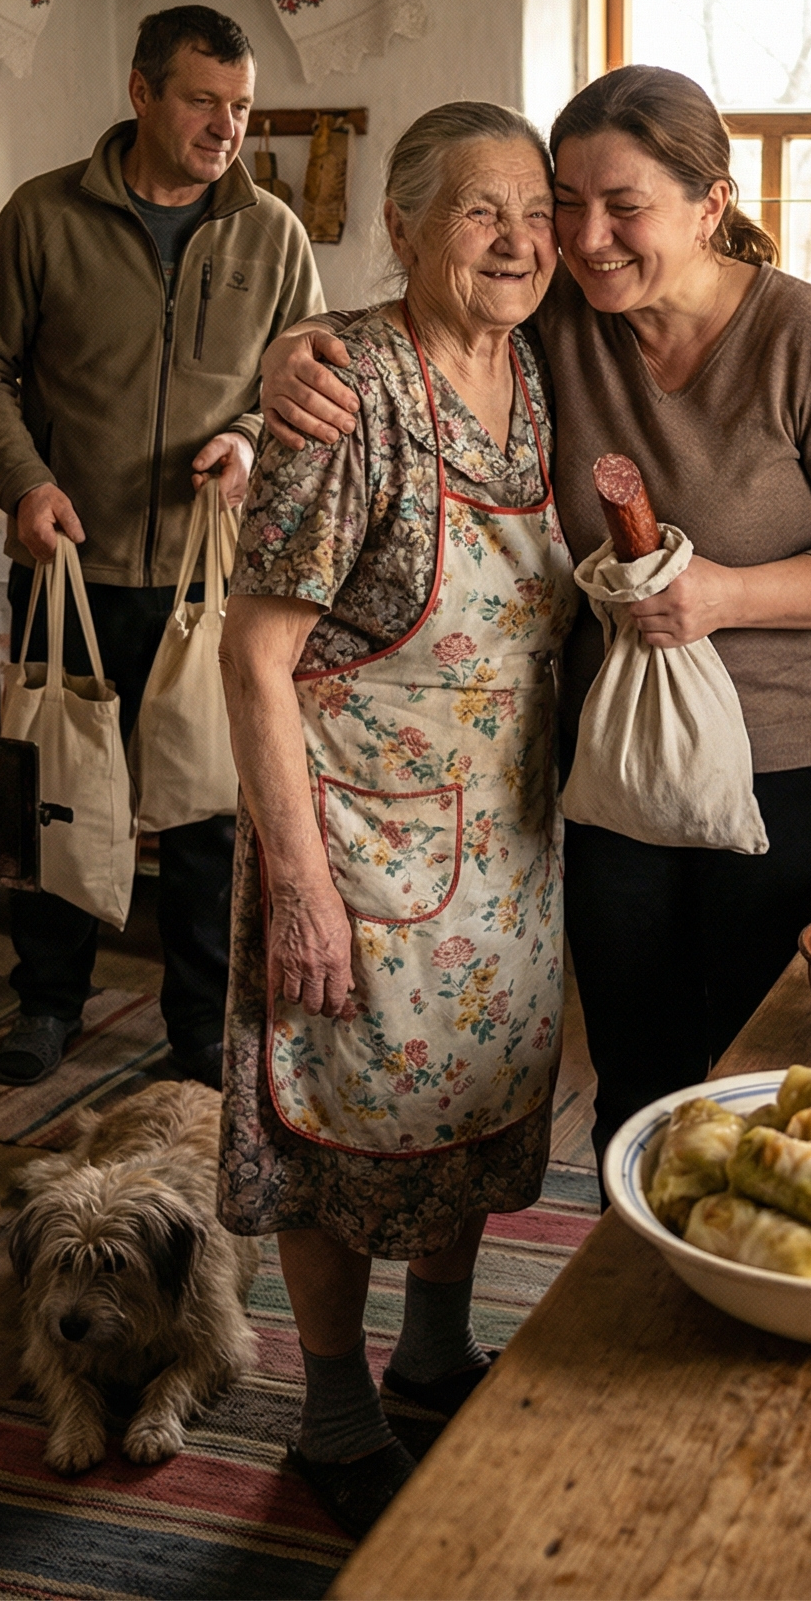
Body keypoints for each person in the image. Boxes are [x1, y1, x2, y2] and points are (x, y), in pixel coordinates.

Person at [263, 65, 811, 1174]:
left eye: (621, 206)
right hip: (612, 769)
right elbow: (412, 317)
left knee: (768, 1080)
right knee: (636, 1078)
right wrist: (289, 346)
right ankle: (626, 1312)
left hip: (790, 770)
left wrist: (725, 593)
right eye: (562, 203)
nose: (582, 236)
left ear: (710, 204)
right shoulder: (557, 319)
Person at [217, 103, 574, 1539]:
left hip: (506, 844)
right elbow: (253, 656)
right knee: (337, 1136)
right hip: (356, 847)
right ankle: (332, 1405)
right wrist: (300, 889)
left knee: (475, 1113)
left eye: (536, 212)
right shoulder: (346, 390)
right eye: (481, 211)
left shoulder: (539, 373)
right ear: (404, 229)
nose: (518, 239)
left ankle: (432, 1351)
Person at [0, 4, 325, 1088]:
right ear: (141, 92)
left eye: (241, 106)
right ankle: (48, 1001)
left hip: (211, 583)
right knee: (59, 791)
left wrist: (248, 439)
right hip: (69, 563)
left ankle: (199, 1025)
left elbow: (299, 378)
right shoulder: (43, 214)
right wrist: (24, 484)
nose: (225, 127)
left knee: (208, 808)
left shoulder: (271, 231)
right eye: (203, 100)